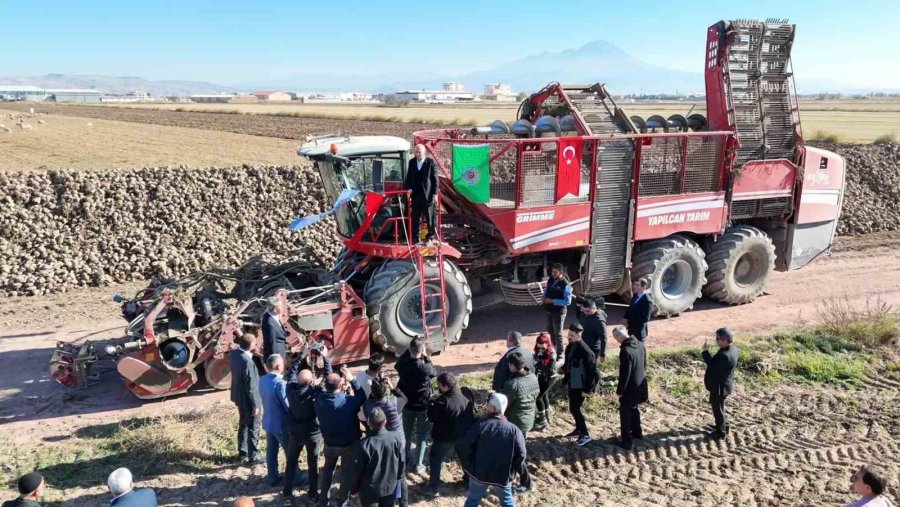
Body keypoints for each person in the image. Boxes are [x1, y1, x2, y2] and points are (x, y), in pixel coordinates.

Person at [458, 393, 527, 507]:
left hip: (479, 474)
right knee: (507, 502)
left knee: (472, 500)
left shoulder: (480, 425)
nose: (486, 407)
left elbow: (464, 446)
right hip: (502, 476)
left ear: (492, 408)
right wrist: (514, 472)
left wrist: (469, 466)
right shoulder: (514, 430)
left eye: (488, 405)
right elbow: (521, 454)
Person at [314, 366, 367, 507]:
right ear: (341, 385)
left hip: (329, 443)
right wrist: (352, 380)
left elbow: (317, 388)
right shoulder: (348, 402)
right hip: (348, 445)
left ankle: (323, 500)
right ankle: (342, 503)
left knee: (327, 472)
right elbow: (362, 396)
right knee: (345, 475)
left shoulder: (319, 400)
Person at [425, 372, 475, 497]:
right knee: (464, 458)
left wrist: (431, 404)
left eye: (439, 385)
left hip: (445, 437)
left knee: (435, 457)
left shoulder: (442, 402)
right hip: (463, 435)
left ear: (446, 386)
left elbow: (432, 417)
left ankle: (433, 487)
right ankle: (469, 482)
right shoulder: (465, 396)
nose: (438, 388)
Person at [363, 376, 409, 506]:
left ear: (372, 392)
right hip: (397, 442)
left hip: (377, 444)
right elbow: (405, 398)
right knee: (401, 476)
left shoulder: (369, 406)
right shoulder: (394, 402)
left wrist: (374, 391)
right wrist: (393, 387)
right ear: (386, 390)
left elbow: (369, 401)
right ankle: (403, 503)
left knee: (380, 471)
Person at [349, 408, 406, 507]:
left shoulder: (363, 445)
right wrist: (399, 481)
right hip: (390, 488)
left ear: (368, 423)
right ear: (385, 422)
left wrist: (354, 489)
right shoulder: (396, 438)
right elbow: (402, 462)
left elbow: (356, 471)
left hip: (370, 492)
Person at [395, 337, 436, 474]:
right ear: (422, 350)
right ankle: (418, 464)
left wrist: (409, 351)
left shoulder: (403, 365)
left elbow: (397, 364)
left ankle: (406, 458)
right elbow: (433, 373)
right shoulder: (425, 368)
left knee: (406, 432)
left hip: (407, 404)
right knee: (422, 435)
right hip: (423, 406)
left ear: (410, 349)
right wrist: (426, 357)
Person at [284, 368, 324, 502]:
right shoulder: (315, 393)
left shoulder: (290, 390)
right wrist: (324, 358)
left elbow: (291, 373)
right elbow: (328, 377)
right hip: (312, 433)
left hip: (295, 433)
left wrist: (302, 355)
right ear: (311, 382)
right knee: (313, 464)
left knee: (291, 463)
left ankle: (287, 496)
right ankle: (313, 494)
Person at [501, 352, 539, 493]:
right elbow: (536, 394)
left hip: (515, 423)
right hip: (528, 419)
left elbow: (504, 405)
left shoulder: (512, 385)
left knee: (516, 454)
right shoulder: (533, 377)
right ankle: (510, 477)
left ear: (512, 365)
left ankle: (526, 483)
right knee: (518, 451)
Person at [561, 323, 600, 446]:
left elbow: (592, 372)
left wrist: (587, 389)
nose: (569, 337)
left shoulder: (586, 352)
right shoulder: (570, 347)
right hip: (573, 383)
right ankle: (578, 429)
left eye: (572, 335)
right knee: (573, 407)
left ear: (579, 335)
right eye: (569, 334)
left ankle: (585, 434)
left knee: (575, 408)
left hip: (581, 385)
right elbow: (568, 364)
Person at [613, 326, 648, 450]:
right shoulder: (639, 344)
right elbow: (644, 364)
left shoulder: (625, 351)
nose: (616, 341)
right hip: (640, 385)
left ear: (618, 336)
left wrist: (620, 391)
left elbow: (625, 374)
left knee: (625, 413)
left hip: (630, 389)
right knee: (634, 409)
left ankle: (626, 441)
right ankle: (637, 433)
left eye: (615, 338)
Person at [702, 327, 740, 439]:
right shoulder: (733, 350)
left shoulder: (724, 355)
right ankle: (724, 426)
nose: (716, 340)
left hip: (719, 387)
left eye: (718, 338)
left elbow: (712, 365)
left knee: (717, 409)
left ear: (724, 340)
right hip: (724, 385)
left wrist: (705, 352)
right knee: (720, 408)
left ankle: (720, 432)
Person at [230, 333, 262, 463]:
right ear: (251, 346)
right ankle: (254, 456)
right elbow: (252, 387)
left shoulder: (235, 354)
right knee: (254, 426)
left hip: (238, 396)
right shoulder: (248, 362)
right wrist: (256, 405)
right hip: (248, 399)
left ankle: (242, 452)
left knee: (243, 424)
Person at [259, 354, 290, 487]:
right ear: (278, 366)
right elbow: (287, 406)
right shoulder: (280, 384)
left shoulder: (263, 379)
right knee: (290, 452)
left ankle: (273, 477)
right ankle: (297, 477)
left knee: (271, 451)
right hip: (280, 424)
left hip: (268, 421)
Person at [404, 143, 439, 242]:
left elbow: (435, 179)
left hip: (427, 195)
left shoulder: (431, 162)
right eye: (416, 152)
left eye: (419, 152)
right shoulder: (411, 162)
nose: (417, 154)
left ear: (424, 152)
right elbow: (409, 177)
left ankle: (431, 237)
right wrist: (409, 188)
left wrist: (435, 194)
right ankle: (415, 238)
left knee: (430, 217)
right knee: (415, 217)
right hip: (416, 195)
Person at [543, 263, 573, 353]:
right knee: (550, 331)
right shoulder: (550, 280)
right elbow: (546, 290)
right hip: (549, 311)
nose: (553, 274)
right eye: (552, 272)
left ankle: (560, 354)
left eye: (555, 272)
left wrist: (552, 301)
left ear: (561, 273)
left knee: (558, 334)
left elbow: (567, 301)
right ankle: (553, 350)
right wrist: (543, 296)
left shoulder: (566, 285)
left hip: (559, 313)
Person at [531, 332, 557, 431]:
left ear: (548, 345)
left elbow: (549, 370)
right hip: (542, 377)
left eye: (543, 348)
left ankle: (543, 421)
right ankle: (546, 417)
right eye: (539, 347)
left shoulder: (552, 354)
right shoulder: (539, 352)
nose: (541, 349)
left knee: (538, 397)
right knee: (544, 396)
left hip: (549, 378)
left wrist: (538, 363)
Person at [357, 353, 386, 423]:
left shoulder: (361, 373)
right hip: (366, 416)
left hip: (360, 411)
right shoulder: (370, 384)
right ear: (379, 368)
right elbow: (380, 397)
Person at [578, 297, 608, 361]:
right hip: (583, 344)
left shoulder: (599, 321)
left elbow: (604, 338)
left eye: (587, 311)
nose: (585, 313)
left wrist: (602, 354)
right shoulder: (584, 313)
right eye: (583, 310)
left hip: (593, 349)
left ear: (594, 308)